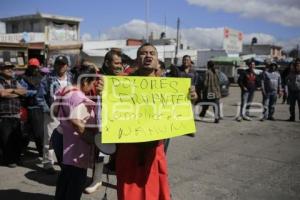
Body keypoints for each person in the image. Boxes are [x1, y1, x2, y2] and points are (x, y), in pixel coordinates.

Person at [115, 43, 198, 200]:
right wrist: (102, 91)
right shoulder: (121, 82)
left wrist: (192, 98)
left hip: (155, 151)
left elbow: (179, 111)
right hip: (129, 149)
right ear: (137, 59)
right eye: (143, 53)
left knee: (156, 193)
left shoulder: (169, 87)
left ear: (157, 59)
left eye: (152, 53)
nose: (148, 56)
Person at [54, 64, 99, 200]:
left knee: (64, 182)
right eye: (92, 84)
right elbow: (76, 122)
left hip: (62, 140)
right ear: (85, 81)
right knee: (74, 186)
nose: (92, 88)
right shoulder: (79, 98)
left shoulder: (63, 91)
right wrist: (94, 141)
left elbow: (56, 111)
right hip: (76, 149)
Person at [84, 50, 126, 194]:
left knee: (122, 152)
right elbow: (87, 98)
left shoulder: (124, 78)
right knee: (100, 151)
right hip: (101, 121)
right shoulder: (96, 79)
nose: (119, 66)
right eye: (116, 63)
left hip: (121, 121)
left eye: (121, 63)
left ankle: (123, 180)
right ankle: (96, 180)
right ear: (107, 63)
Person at [36, 55, 72, 174]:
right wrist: (49, 110)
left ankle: (64, 161)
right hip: (53, 113)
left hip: (67, 113)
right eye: (59, 64)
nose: (61, 66)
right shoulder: (47, 79)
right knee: (49, 139)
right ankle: (48, 163)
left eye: (63, 64)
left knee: (67, 139)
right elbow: (40, 98)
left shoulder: (71, 78)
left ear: (67, 66)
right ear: (55, 65)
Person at [0, 62, 27, 167]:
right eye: (7, 68)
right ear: (1, 70)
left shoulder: (15, 81)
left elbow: (24, 91)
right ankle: (9, 160)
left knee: (17, 138)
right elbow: (2, 93)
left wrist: (11, 91)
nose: (10, 70)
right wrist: (16, 93)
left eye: (11, 68)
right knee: (6, 139)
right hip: (3, 115)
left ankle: (17, 158)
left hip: (16, 114)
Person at [18, 58, 44, 156]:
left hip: (39, 108)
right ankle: (21, 151)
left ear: (38, 67)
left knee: (39, 133)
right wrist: (35, 92)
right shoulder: (24, 78)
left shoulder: (42, 77)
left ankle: (41, 152)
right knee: (26, 132)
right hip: (28, 107)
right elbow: (22, 91)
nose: (34, 69)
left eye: (35, 67)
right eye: (32, 67)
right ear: (29, 67)